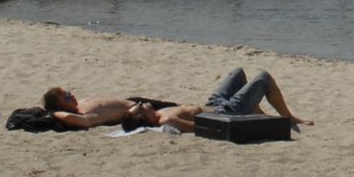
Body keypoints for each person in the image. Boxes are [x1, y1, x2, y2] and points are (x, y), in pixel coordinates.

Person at [41, 67, 309, 134]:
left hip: (213, 101)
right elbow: (81, 122)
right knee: (262, 77)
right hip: (223, 110)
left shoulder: (84, 102)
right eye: (66, 96)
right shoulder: (165, 118)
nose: (71, 94)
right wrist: (54, 115)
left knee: (238, 72)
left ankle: (257, 111)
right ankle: (288, 116)